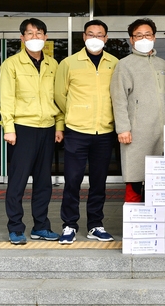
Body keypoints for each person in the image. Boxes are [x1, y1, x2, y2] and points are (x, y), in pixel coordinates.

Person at [0, 18, 64, 245]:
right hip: (22, 129)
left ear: (45, 38)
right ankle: (16, 227)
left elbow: (58, 98)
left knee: (44, 182)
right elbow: (6, 99)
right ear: (22, 38)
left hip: (47, 129)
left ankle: (41, 226)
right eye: (30, 33)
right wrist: (9, 128)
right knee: (18, 181)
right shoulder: (11, 64)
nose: (35, 37)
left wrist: (59, 125)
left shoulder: (53, 65)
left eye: (39, 33)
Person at [54, 19, 118, 244]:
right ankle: (69, 224)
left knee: (99, 182)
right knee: (72, 180)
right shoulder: (69, 63)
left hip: (105, 132)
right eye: (91, 34)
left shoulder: (115, 63)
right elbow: (60, 96)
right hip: (77, 131)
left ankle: (95, 225)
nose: (95, 38)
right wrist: (69, 118)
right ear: (83, 36)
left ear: (106, 38)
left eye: (100, 34)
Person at [110, 18, 165, 202]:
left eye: (147, 35)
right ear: (131, 40)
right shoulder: (125, 65)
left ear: (154, 37)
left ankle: (156, 223)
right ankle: (134, 224)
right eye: (139, 36)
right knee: (135, 177)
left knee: (159, 181)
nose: (144, 39)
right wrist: (123, 129)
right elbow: (118, 98)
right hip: (137, 132)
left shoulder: (163, 65)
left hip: (163, 132)